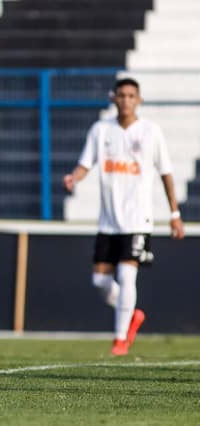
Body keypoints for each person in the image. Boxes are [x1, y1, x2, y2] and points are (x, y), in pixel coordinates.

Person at [63, 77, 185, 356]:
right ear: (113, 98)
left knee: (127, 278)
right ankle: (130, 314)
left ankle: (120, 339)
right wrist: (74, 178)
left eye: (132, 95)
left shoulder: (151, 132)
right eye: (121, 95)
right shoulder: (100, 130)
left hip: (137, 220)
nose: (126, 100)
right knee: (101, 282)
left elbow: (166, 173)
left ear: (139, 100)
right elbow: (85, 164)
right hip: (108, 221)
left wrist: (174, 214)